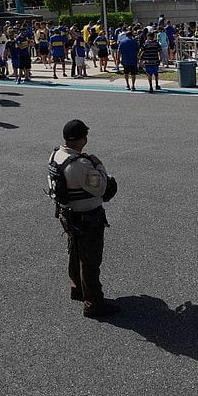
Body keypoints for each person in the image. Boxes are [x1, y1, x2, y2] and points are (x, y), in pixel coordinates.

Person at [49, 119, 119, 318]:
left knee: (74, 251)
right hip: (87, 218)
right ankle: (93, 303)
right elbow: (103, 187)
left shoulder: (56, 155)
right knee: (90, 261)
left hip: (67, 214)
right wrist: (99, 165)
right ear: (83, 138)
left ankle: (76, 287)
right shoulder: (80, 164)